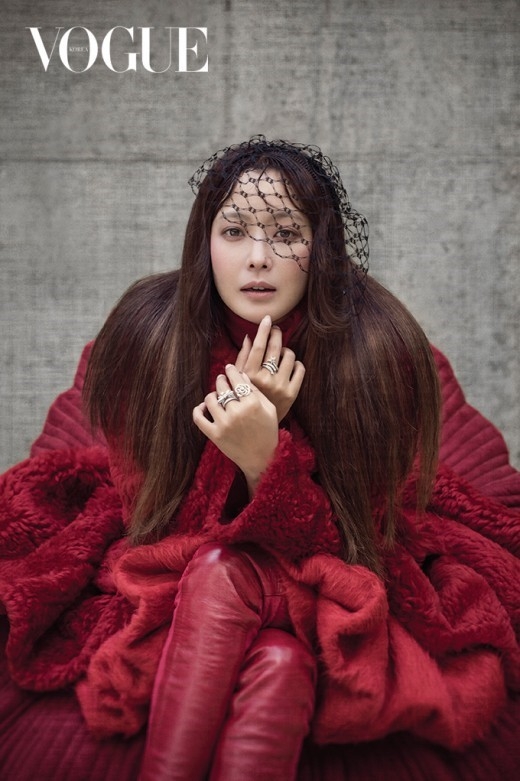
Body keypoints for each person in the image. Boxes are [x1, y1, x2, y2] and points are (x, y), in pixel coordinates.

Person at [0, 136, 519, 781]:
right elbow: (154, 525)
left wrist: (264, 457)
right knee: (277, 661)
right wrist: (239, 444)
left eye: (286, 233)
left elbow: (358, 548)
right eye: (235, 231)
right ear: (204, 242)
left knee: (224, 573)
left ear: (321, 247)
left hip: (336, 582)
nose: (258, 258)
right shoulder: (147, 337)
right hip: (185, 573)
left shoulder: (378, 348)